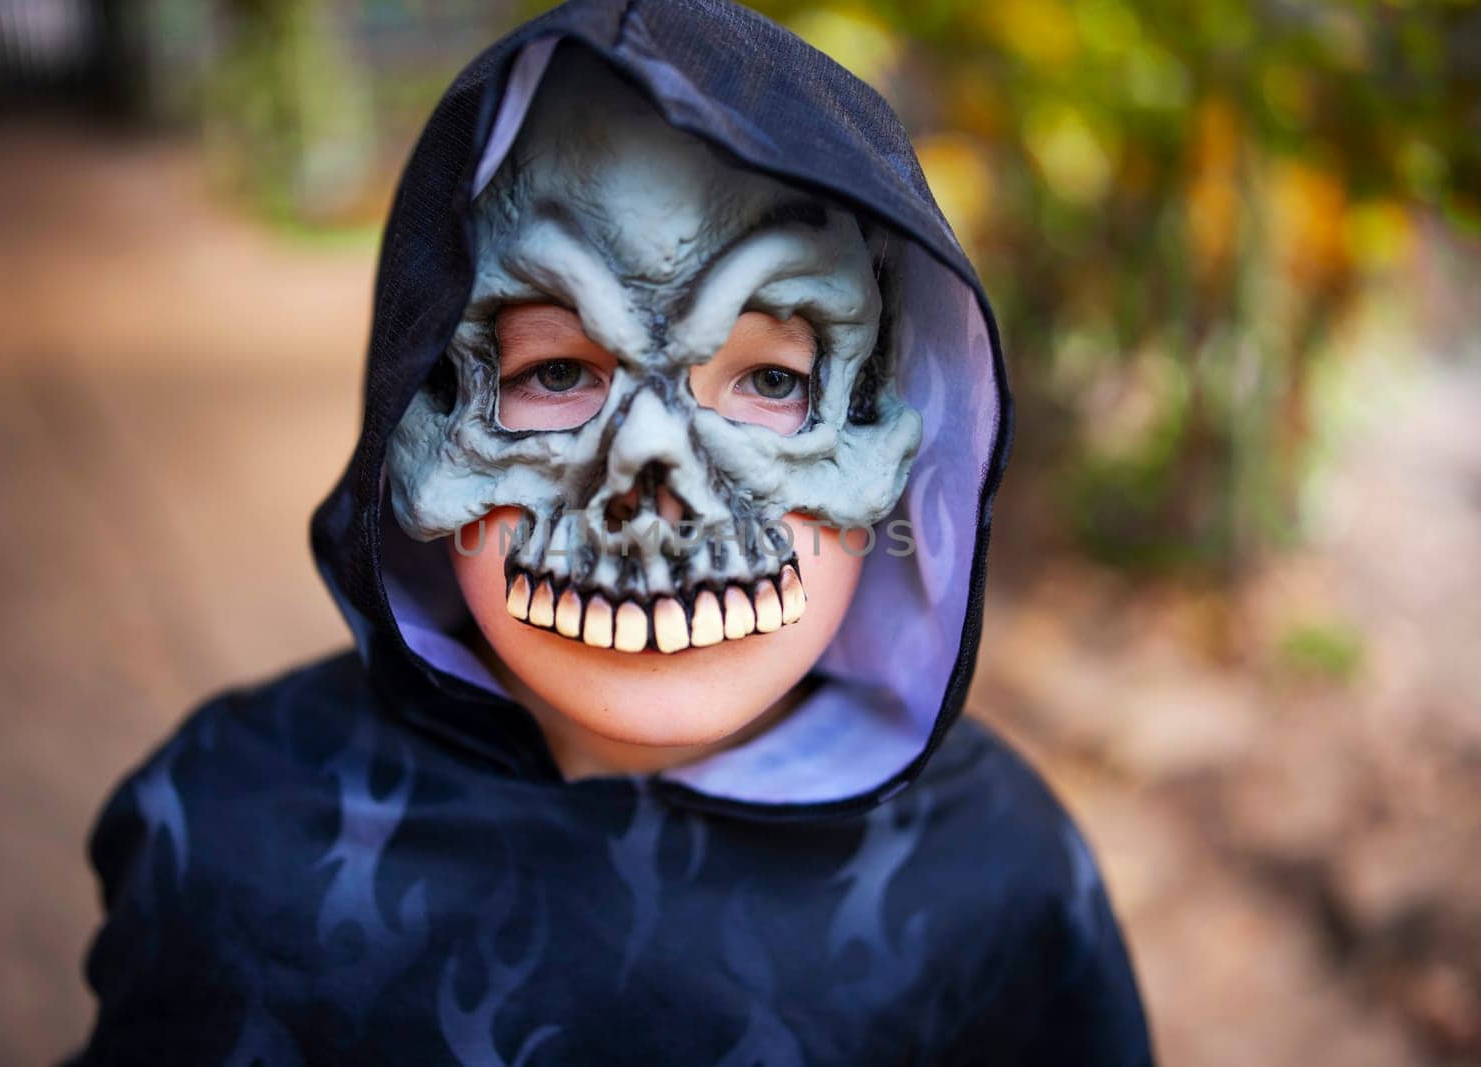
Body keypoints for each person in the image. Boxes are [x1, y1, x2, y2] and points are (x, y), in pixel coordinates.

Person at [73, 2, 1153, 1063]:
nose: (651, 476)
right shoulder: (224, 834)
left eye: (771, 379)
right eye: (554, 373)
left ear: (888, 430)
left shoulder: (1003, 886)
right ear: (423, 415)